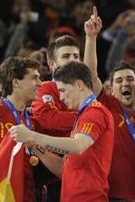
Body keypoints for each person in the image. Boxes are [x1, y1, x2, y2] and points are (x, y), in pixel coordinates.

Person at [9, 61, 114, 202]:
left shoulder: (95, 111)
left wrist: (33, 135)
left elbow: (77, 146)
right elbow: (62, 169)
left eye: (63, 90)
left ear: (79, 85)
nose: (61, 98)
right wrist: (33, 143)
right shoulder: (82, 117)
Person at [83, 6, 135, 200]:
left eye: (130, 79)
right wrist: (91, 37)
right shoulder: (109, 106)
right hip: (113, 194)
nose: (125, 83)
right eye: (119, 81)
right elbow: (90, 76)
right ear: (111, 89)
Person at [0, 57, 42, 202]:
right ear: (16, 82)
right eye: (34, 78)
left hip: (29, 195)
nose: (40, 83)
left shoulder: (32, 120)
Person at [32, 35, 78, 136]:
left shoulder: (84, 89)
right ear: (52, 64)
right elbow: (49, 119)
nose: (73, 60)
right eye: (66, 56)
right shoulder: (45, 88)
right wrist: (88, 117)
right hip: (52, 151)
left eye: (76, 56)